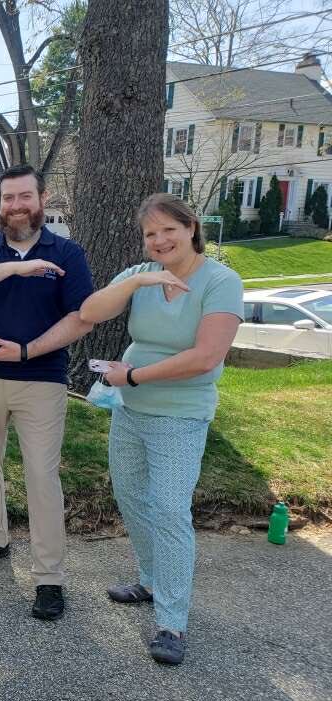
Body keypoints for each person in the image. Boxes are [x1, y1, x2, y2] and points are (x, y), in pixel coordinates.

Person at [79, 193, 242, 665]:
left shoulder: (220, 280)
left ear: (191, 227)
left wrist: (130, 376)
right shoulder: (141, 277)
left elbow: (205, 357)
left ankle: (172, 622)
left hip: (180, 415)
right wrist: (136, 282)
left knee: (170, 511)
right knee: (131, 498)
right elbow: (91, 312)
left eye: (168, 229)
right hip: (130, 411)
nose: (159, 240)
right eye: (150, 234)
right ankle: (150, 581)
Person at [0, 164, 94, 622]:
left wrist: (27, 351)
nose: (16, 206)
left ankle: (49, 577)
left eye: (25, 197)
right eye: (8, 198)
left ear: (42, 199)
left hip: (41, 381)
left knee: (42, 478)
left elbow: (82, 316)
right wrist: (15, 266)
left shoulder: (67, 253)